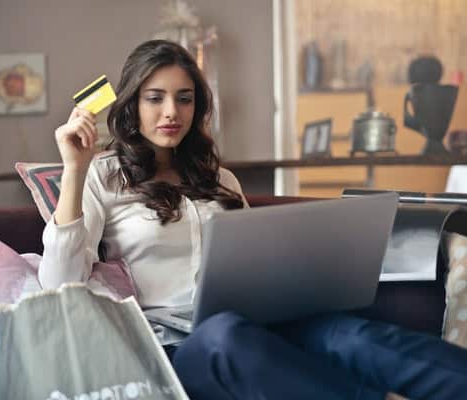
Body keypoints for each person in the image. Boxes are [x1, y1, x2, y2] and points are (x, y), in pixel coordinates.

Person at [39, 40, 467, 400]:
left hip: (262, 323)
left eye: (184, 98)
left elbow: (254, 261)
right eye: (155, 97)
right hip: (183, 348)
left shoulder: (219, 178)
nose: (172, 111)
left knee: (350, 335)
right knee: (225, 336)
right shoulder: (104, 176)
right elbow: (58, 284)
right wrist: (74, 171)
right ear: (132, 103)